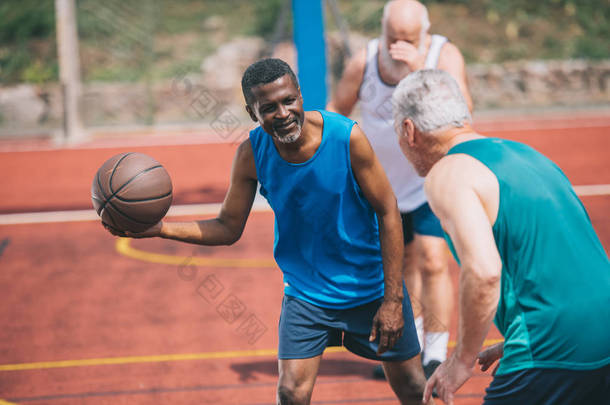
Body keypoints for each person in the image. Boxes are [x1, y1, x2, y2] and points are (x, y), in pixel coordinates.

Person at [103, 58, 434, 405]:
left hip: (370, 288)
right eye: (269, 107)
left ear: (300, 95)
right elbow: (227, 227)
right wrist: (159, 229)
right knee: (290, 392)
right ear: (252, 112)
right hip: (307, 295)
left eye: (289, 100)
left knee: (412, 387)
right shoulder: (252, 154)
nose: (283, 113)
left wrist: (393, 300)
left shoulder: (346, 138)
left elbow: (388, 211)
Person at [391, 68, 610, 405]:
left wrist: (461, 360)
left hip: (549, 344)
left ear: (409, 130)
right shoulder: (529, 156)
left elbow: (484, 272)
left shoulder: (448, 172)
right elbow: (572, 262)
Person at [327, 0, 472, 379]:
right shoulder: (365, 61)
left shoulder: (444, 54)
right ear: (383, 30)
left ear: (424, 33)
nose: (398, 45)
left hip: (430, 180)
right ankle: (412, 347)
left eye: (408, 38)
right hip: (384, 186)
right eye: (393, 37)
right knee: (401, 265)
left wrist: (419, 71)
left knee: (434, 259)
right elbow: (336, 112)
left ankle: (437, 354)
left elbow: (463, 112)